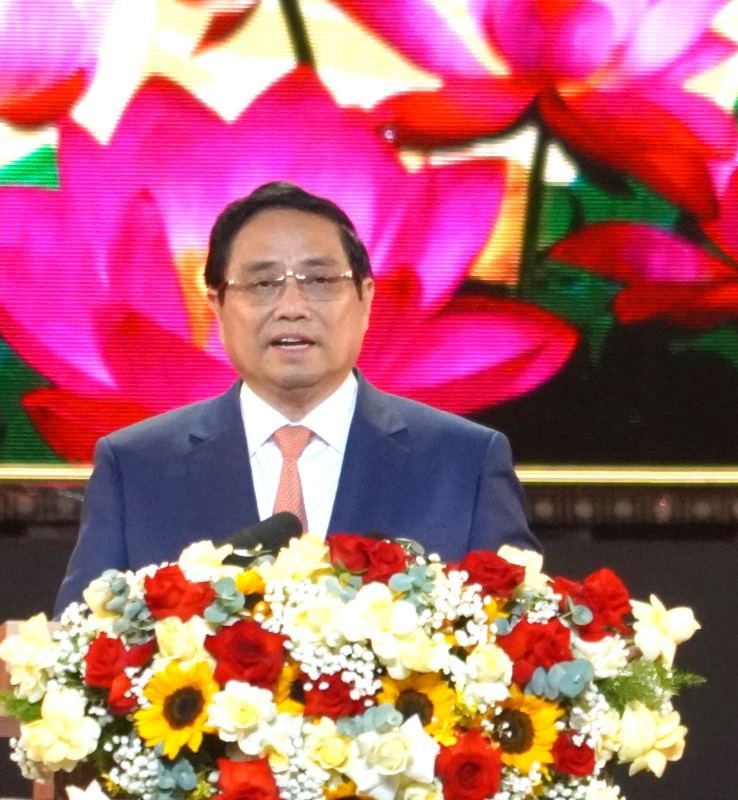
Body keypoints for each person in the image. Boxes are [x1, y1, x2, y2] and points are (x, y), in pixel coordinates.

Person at [53, 182, 538, 613]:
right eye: (262, 284)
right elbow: (78, 654)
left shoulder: (464, 462)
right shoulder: (135, 466)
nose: (291, 308)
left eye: (321, 281)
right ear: (216, 307)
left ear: (367, 299)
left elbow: (526, 641)